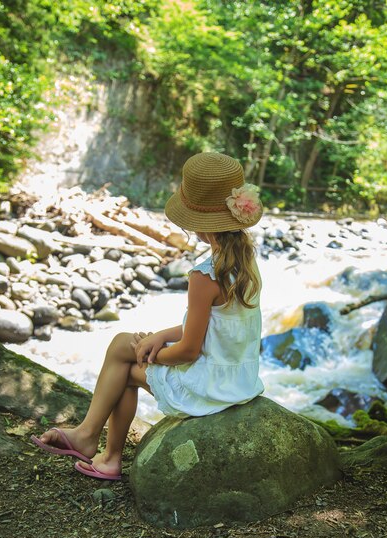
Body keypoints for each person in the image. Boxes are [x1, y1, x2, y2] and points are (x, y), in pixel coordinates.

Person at [31, 152, 265, 480]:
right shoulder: (245, 263)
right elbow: (218, 325)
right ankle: (93, 441)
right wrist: (161, 337)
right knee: (125, 345)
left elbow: (189, 351)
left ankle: (99, 447)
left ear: (197, 223)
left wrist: (152, 355)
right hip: (238, 380)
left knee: (125, 359)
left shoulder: (205, 275)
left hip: (210, 390)